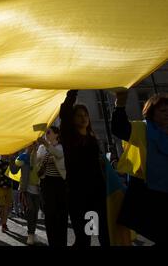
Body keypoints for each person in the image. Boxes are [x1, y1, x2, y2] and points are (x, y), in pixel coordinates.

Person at [112, 91, 168, 244]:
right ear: (151, 113)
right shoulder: (143, 129)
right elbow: (119, 128)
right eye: (163, 111)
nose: (167, 114)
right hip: (150, 193)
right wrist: (120, 104)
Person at [60, 90, 109, 246]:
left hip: (96, 193)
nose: (84, 118)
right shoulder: (69, 137)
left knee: (99, 233)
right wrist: (73, 92)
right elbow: (65, 112)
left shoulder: (92, 138)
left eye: (86, 115)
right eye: (79, 115)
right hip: (78, 195)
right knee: (83, 237)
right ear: (72, 119)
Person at [37, 126, 68, 247]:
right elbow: (36, 161)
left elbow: (59, 155)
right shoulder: (41, 148)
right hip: (47, 184)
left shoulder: (60, 146)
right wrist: (34, 151)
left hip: (60, 183)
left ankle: (62, 242)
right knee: (50, 215)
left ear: (56, 135)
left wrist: (46, 144)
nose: (46, 134)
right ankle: (53, 242)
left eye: (48, 132)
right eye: (45, 133)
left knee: (61, 214)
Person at [17, 144, 40, 245]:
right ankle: (30, 235)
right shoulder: (24, 156)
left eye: (35, 144)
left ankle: (32, 233)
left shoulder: (39, 155)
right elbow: (16, 165)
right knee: (31, 211)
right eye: (31, 145)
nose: (33, 146)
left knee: (35, 213)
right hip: (27, 189)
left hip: (38, 190)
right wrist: (26, 154)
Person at [0, 155, 17, 232]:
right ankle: (3, 224)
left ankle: (4, 222)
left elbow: (14, 172)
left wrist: (12, 162)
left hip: (9, 187)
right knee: (2, 207)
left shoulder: (9, 162)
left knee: (8, 207)